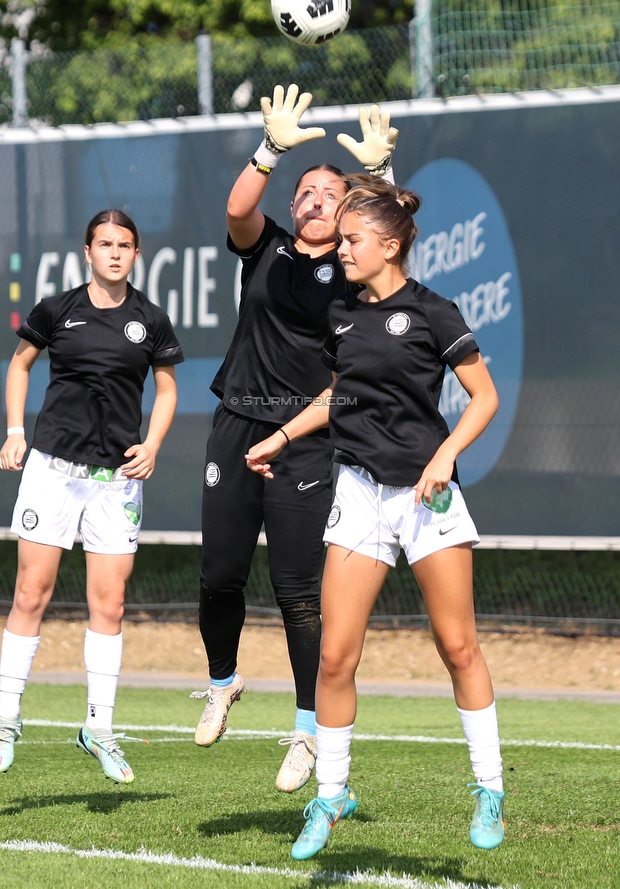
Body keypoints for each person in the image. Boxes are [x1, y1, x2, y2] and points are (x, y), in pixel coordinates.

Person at [246, 175, 505, 857]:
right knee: (335, 655)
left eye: (353, 239)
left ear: (390, 246)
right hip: (358, 492)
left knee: (458, 647)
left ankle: (490, 790)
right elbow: (338, 395)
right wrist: (281, 435)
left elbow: (483, 397)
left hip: (425, 495)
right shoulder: (344, 315)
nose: (343, 249)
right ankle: (330, 796)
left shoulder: (433, 311)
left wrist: (446, 456)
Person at [193, 86, 399, 795]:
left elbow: (395, 243)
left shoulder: (355, 273)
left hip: (307, 438)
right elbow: (236, 209)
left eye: (330, 192)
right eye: (305, 190)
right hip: (237, 423)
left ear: (348, 213)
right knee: (218, 574)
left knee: (296, 592)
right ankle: (222, 682)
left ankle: (309, 728)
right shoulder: (268, 250)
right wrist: (273, 149)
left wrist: (382, 178)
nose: (313, 197)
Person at [0, 209, 184, 783]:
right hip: (51, 469)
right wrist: (16, 431)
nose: (115, 253)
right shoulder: (57, 310)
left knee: (111, 604)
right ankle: (6, 719)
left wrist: (153, 443)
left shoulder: (151, 319)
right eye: (105, 244)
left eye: (125, 244)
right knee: (31, 592)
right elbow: (20, 367)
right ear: (88, 251)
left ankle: (99, 728)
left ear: (136, 254)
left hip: (117, 480)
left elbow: (167, 390)